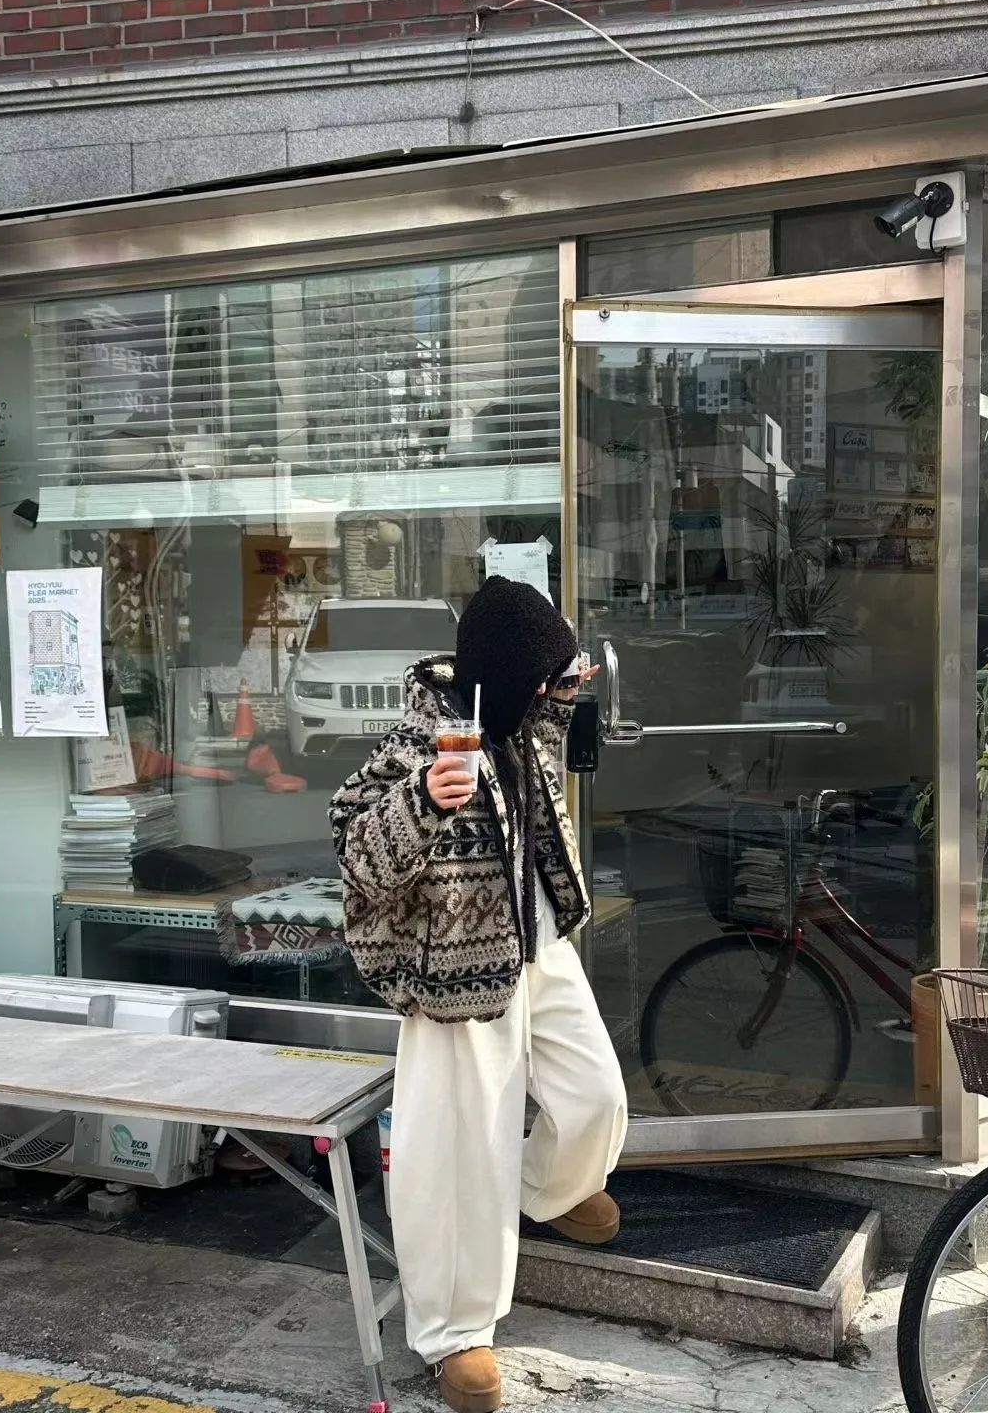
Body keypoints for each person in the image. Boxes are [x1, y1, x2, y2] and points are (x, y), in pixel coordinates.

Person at [329, 576, 628, 1413]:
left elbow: (543, 737)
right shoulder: (423, 740)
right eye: (543, 676)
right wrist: (423, 801)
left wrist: (564, 689)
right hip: (456, 968)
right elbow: (354, 853)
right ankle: (454, 1332)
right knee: (459, 1154)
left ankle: (548, 1191)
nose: (550, 690)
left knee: (595, 1094)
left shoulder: (515, 717)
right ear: (505, 674)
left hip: (538, 945)